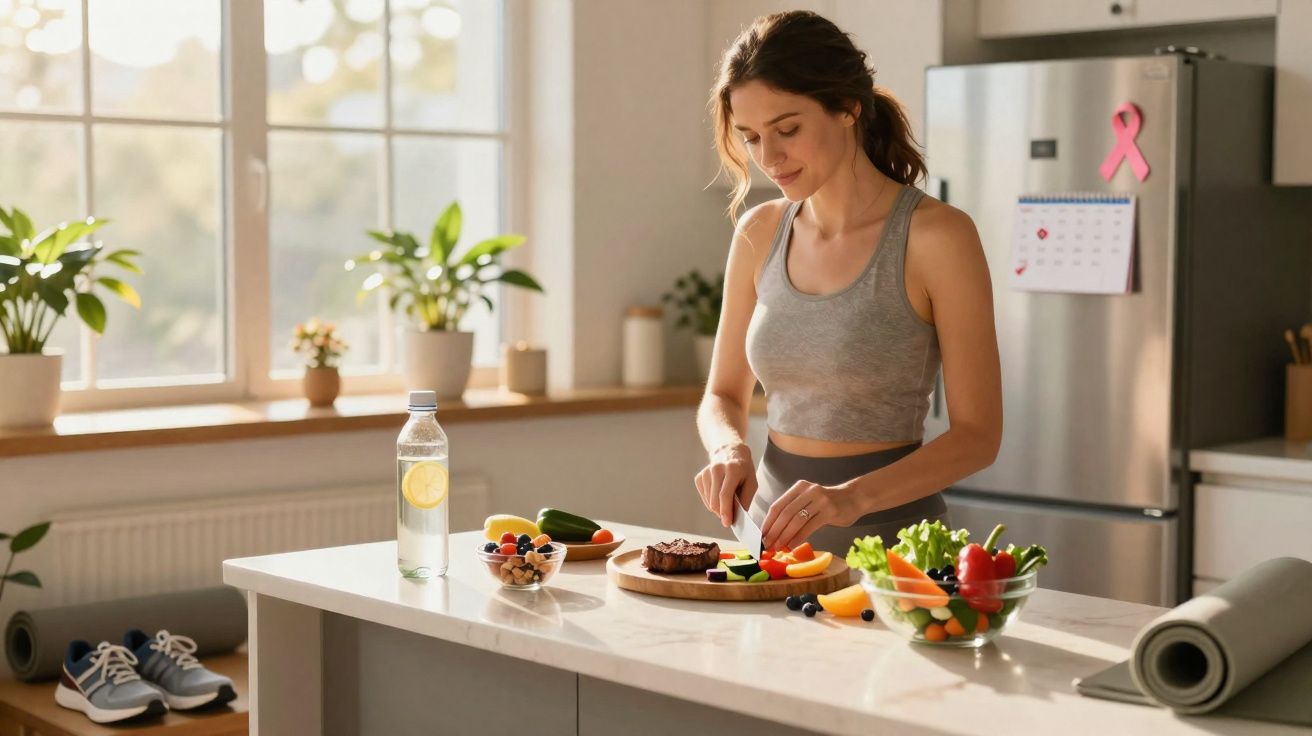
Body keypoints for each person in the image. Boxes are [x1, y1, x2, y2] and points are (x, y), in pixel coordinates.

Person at [693, 10, 1003, 556]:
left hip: (896, 554)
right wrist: (728, 448)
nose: (769, 158)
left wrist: (849, 499)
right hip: (771, 546)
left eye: (787, 129)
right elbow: (722, 393)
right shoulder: (759, 232)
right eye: (751, 137)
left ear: (847, 108)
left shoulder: (937, 238)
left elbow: (979, 436)